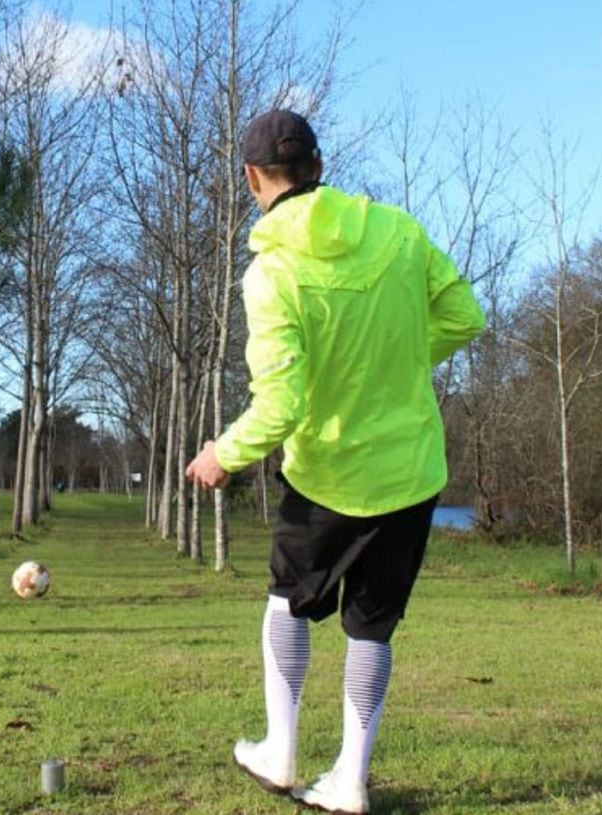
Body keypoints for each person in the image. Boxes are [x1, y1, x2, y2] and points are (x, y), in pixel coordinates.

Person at [185, 110, 485, 814]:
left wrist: (220, 455)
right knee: (372, 625)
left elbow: (280, 405)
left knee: (288, 601)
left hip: (327, 478)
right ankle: (350, 780)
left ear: (253, 178)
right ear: (319, 166)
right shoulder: (398, 231)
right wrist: (399, 363)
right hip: (410, 474)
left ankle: (281, 753)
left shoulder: (270, 274)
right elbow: (466, 315)